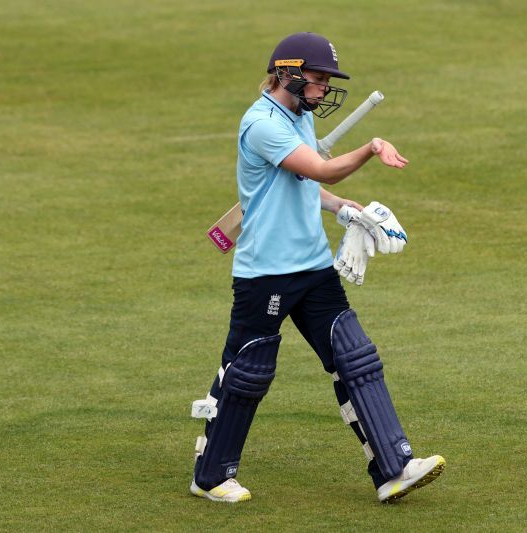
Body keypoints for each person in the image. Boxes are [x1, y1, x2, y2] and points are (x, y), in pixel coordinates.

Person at [190, 32, 444, 503]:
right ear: (288, 74)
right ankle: (210, 476)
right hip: (265, 271)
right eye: (318, 79)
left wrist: (343, 209)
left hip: (312, 266)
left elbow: (306, 182)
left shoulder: (297, 116)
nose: (324, 89)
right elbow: (320, 169)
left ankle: (394, 467)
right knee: (249, 371)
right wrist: (369, 149)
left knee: (356, 357)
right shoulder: (261, 124)